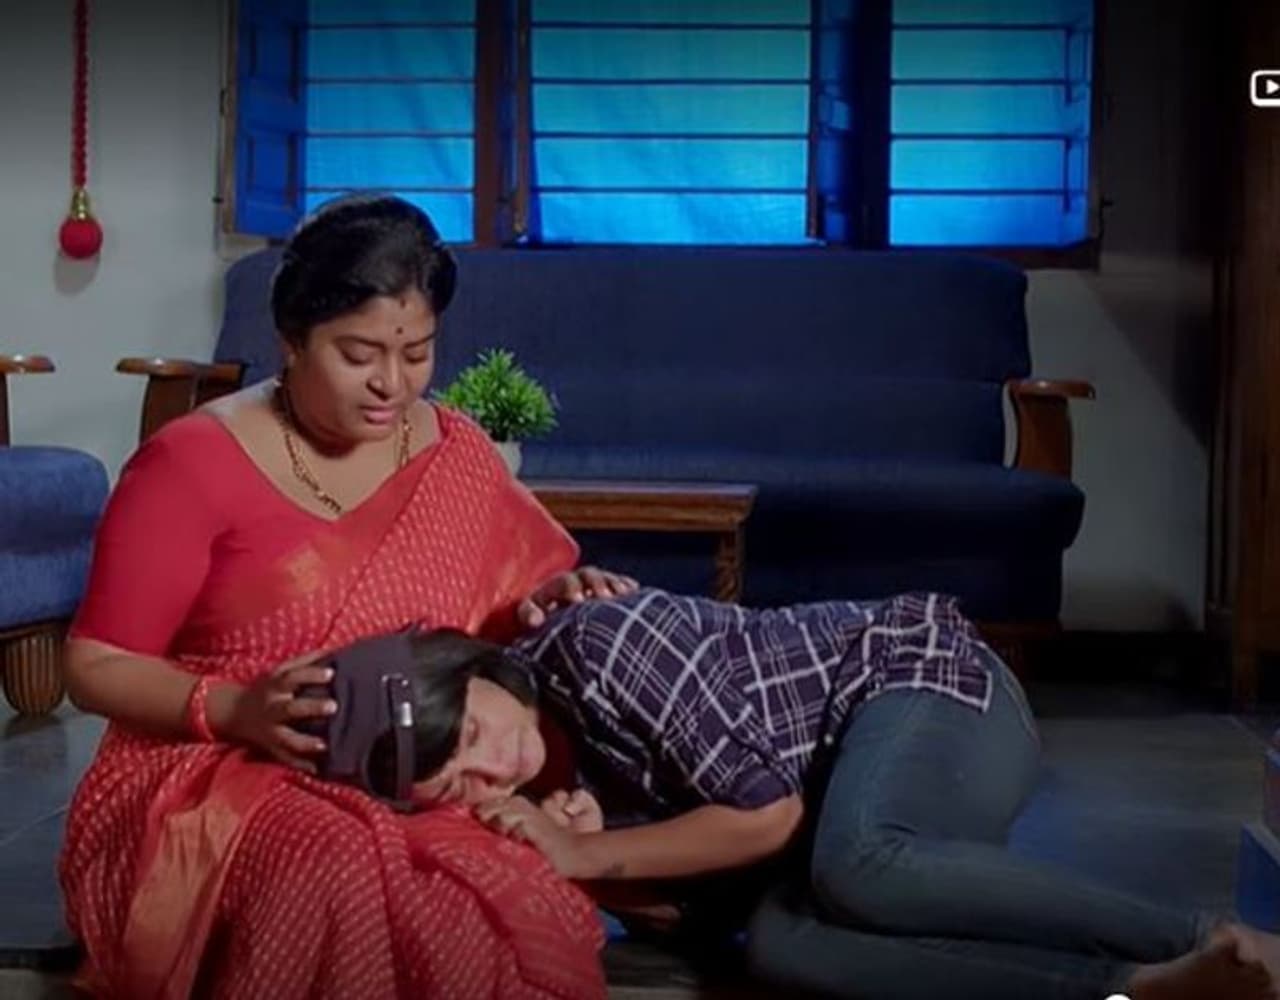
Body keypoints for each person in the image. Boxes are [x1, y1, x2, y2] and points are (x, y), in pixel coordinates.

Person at [58, 193, 636, 1000]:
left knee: (483, 887)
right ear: (291, 339)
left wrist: (558, 594)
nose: (391, 385)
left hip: (417, 765)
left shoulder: (455, 452)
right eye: (358, 354)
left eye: (417, 354)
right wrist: (233, 709)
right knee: (339, 864)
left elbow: (508, 605)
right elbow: (94, 664)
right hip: (206, 768)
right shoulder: (189, 462)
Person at [394, 589, 1280, 1000]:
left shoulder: (594, 644)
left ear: (482, 673)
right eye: (460, 782)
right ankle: (1147, 988)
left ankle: (1214, 937)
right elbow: (712, 915)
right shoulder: (547, 802)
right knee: (781, 945)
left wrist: (589, 851)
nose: (491, 769)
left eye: (471, 735)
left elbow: (769, 813)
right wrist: (602, 872)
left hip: (929, 684)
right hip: (850, 818)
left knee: (859, 861)